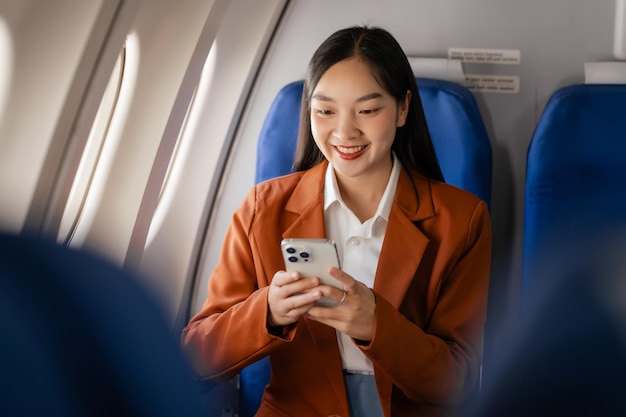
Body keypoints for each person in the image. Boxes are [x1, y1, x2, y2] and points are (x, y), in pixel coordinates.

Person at [182, 25, 492, 417]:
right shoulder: (263, 210)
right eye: (325, 110)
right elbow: (196, 355)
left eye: (367, 110)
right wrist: (268, 311)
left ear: (402, 109)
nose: (344, 131)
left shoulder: (461, 220)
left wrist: (375, 325)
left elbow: (458, 380)